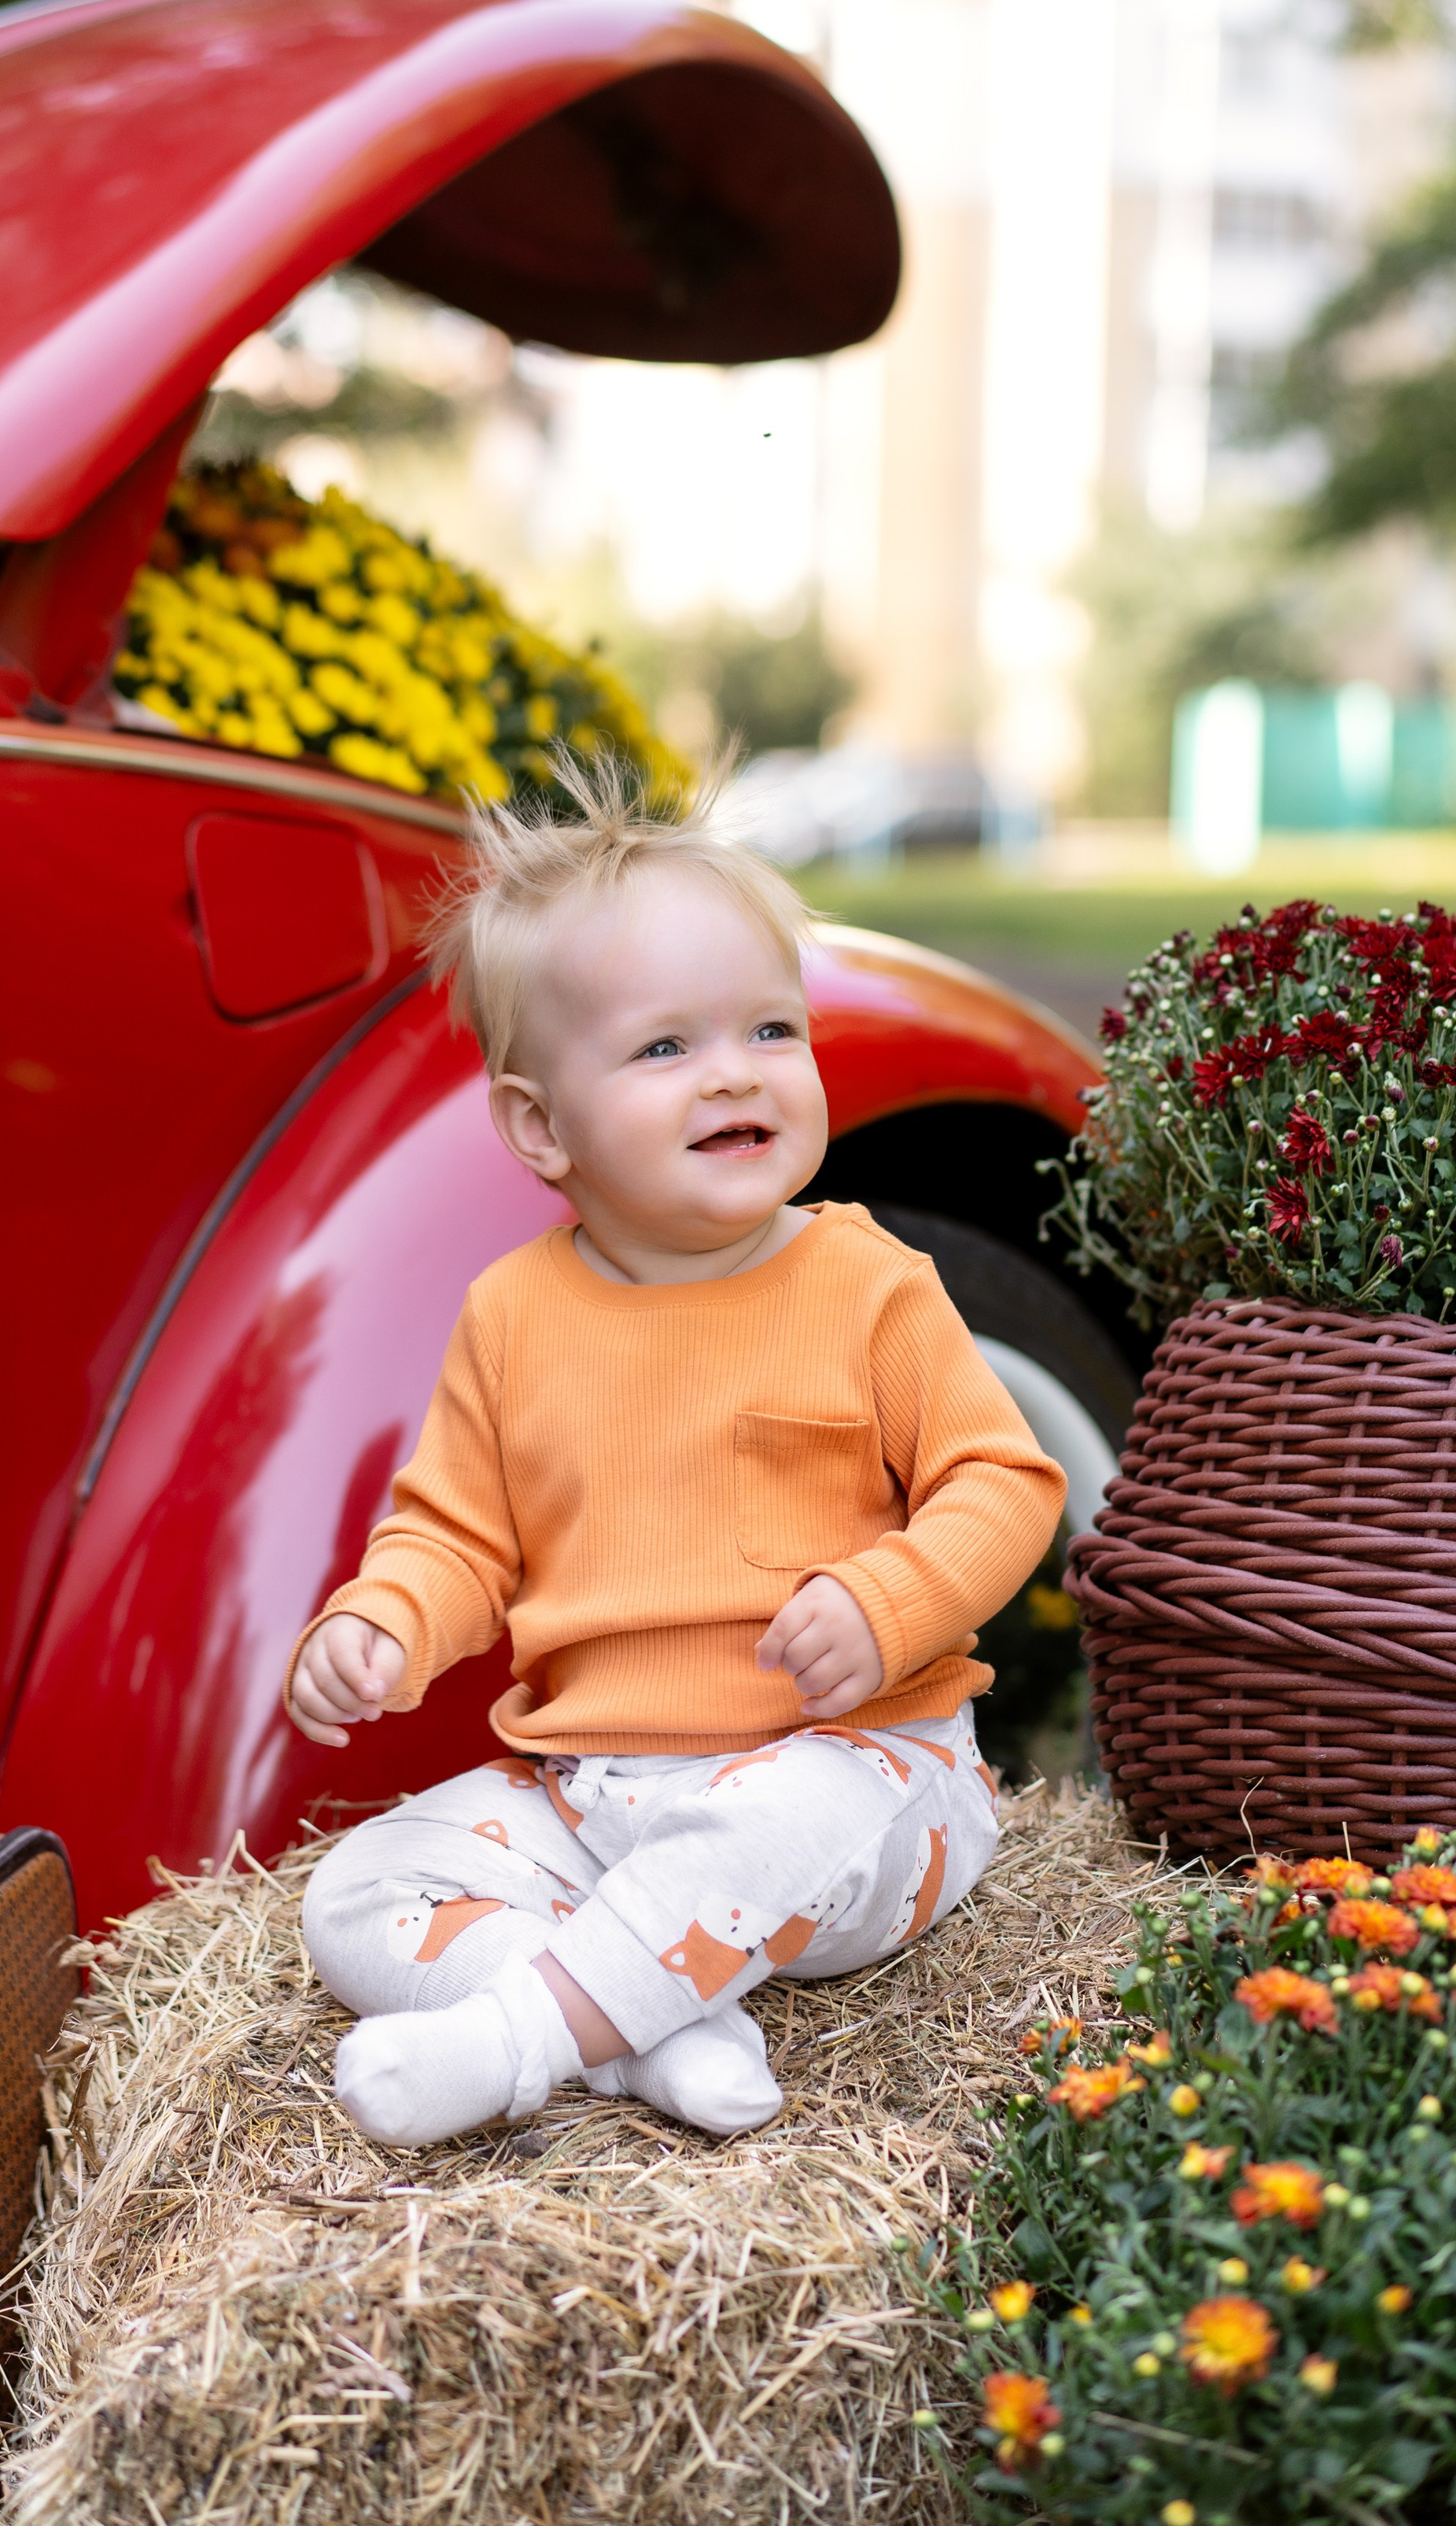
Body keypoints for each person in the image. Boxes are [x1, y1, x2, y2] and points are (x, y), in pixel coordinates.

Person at [286, 758, 1065, 2148]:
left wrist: (894, 1602)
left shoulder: (866, 1284)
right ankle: (654, 2034)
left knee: (793, 1810)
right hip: (594, 1801)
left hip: (860, 1776)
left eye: (773, 1028)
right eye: (666, 1049)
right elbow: (456, 1535)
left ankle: (523, 2039)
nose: (735, 1074)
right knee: (353, 1894)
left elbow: (1002, 1484)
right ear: (539, 1125)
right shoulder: (515, 1315)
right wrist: (386, 1620)